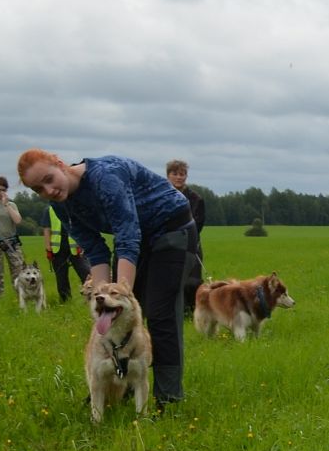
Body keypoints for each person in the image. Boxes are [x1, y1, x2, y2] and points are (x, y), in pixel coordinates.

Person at [17, 149, 192, 405]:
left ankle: (169, 398)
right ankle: (124, 383)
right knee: (116, 312)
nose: (48, 190)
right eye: (39, 189)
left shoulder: (105, 177)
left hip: (171, 228)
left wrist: (121, 295)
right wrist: (102, 301)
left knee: (158, 312)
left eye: (49, 178)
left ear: (59, 163)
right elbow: (95, 249)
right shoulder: (61, 205)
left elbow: (127, 236)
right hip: (137, 236)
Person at [166, 159, 207, 310]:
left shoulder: (196, 199)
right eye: (175, 174)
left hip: (191, 246)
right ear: (168, 176)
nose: (179, 177)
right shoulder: (162, 197)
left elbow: (197, 224)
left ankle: (193, 311)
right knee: (171, 280)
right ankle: (175, 309)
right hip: (168, 246)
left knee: (193, 281)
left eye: (182, 174)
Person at [41, 203, 89, 304]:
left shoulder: (74, 206)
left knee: (86, 273)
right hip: (58, 249)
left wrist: (84, 244)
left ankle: (91, 298)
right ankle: (65, 301)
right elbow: (46, 229)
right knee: (61, 277)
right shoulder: (49, 210)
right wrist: (48, 248)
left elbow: (83, 226)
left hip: (75, 248)